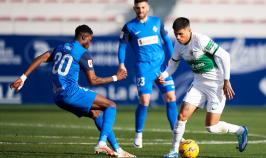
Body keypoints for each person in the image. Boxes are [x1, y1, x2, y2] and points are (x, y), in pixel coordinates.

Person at [10, 24, 136, 158]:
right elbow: (93, 80)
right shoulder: (83, 53)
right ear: (83, 37)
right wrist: (116, 77)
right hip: (70, 92)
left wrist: (23, 77)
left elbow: (40, 58)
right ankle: (102, 142)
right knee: (111, 105)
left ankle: (118, 149)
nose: (90, 43)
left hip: (57, 97)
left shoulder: (60, 48)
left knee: (96, 113)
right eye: (90, 40)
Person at [158, 17, 248, 158]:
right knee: (181, 116)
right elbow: (173, 64)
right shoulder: (178, 45)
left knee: (211, 127)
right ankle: (174, 151)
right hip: (198, 84)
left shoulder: (200, 40)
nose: (178, 37)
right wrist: (164, 74)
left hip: (216, 86)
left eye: (181, 33)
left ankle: (240, 130)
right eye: (176, 34)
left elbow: (225, 56)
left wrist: (226, 80)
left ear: (189, 30)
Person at [117, 0, 178, 148]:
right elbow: (122, 47)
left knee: (171, 98)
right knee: (144, 101)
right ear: (134, 9)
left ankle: (177, 135)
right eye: (137, 8)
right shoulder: (129, 27)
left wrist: (171, 62)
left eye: (143, 7)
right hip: (144, 69)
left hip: (162, 67)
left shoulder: (157, 22)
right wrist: (121, 64)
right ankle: (138, 134)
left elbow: (167, 42)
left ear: (147, 7)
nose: (140, 10)